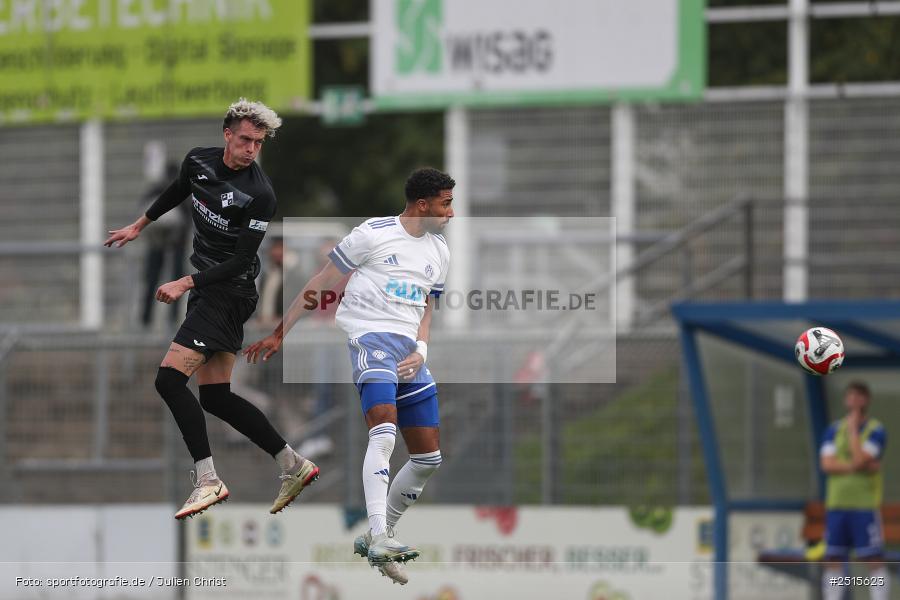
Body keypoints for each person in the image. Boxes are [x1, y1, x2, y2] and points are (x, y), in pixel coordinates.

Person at [104, 99, 318, 520]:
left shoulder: (260, 194)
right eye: (244, 139)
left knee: (168, 380)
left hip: (229, 292)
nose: (251, 149)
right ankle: (293, 464)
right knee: (217, 397)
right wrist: (139, 224)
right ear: (227, 134)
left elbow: (240, 262)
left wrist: (185, 282)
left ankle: (207, 480)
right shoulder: (198, 161)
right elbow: (178, 190)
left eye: (258, 142)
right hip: (209, 293)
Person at [245, 168, 455, 585]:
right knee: (384, 432)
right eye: (446, 203)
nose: (452, 212)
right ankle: (379, 535)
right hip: (370, 340)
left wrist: (422, 350)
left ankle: (381, 534)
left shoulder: (440, 251)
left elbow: (428, 308)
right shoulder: (371, 234)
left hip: (409, 352)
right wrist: (280, 333)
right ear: (422, 204)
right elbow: (321, 282)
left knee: (428, 459)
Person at [820, 381, 889, 600]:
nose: (854, 400)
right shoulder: (833, 429)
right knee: (833, 558)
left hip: (864, 506)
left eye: (859, 396)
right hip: (837, 505)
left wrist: (852, 430)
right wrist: (855, 467)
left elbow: (860, 458)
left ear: (866, 400)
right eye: (850, 395)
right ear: (845, 400)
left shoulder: (875, 430)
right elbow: (827, 464)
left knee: (873, 559)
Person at [139, 161, 191, 328]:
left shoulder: (180, 190)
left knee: (171, 281)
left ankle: (164, 320)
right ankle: (149, 320)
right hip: (160, 242)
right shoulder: (173, 190)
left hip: (174, 243)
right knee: (155, 280)